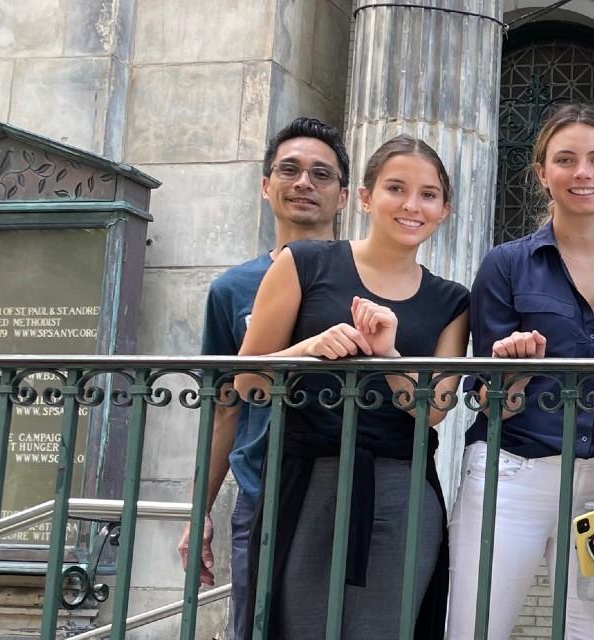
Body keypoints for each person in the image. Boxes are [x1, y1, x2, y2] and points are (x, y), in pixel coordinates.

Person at [236, 135, 470, 639]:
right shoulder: (303, 262)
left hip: (404, 489)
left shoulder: (452, 300)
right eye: (396, 188)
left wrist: (386, 357)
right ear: (364, 197)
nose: (412, 205)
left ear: (444, 210)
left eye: (429, 194)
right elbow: (248, 380)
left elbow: (434, 411)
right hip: (307, 481)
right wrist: (309, 349)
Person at [452, 103, 594, 640]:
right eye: (566, 159)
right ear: (541, 173)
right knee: (474, 630)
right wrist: (515, 373)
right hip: (512, 476)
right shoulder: (505, 265)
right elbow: (487, 399)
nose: (583, 174)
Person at [180, 116, 349, 640]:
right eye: (290, 170)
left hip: (352, 487)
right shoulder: (233, 289)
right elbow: (226, 406)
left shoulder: (370, 276)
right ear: (265, 185)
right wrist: (198, 513)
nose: (304, 183)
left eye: (321, 174)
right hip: (263, 490)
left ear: (344, 196)